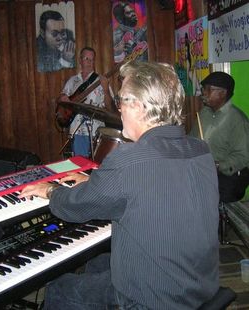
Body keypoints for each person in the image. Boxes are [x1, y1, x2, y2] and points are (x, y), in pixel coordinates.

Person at [20, 61, 220, 309]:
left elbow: (75, 207)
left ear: (137, 106)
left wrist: (50, 190)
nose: (119, 109)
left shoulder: (129, 158)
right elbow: (151, 185)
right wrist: (95, 180)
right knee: (98, 263)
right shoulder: (199, 150)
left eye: (121, 102)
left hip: (151, 299)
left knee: (60, 288)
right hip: (199, 284)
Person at [189, 71, 249, 202]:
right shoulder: (204, 113)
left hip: (228, 178)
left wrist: (217, 166)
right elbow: (192, 139)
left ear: (223, 93)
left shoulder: (238, 120)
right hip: (204, 173)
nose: (204, 93)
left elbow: (243, 156)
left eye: (208, 89)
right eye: (204, 89)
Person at [57, 47, 115, 157]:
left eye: (91, 59)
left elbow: (110, 107)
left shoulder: (100, 81)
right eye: (86, 58)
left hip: (97, 132)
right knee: (81, 167)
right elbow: (60, 99)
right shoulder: (73, 80)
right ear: (80, 60)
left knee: (96, 167)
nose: (89, 62)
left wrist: (106, 89)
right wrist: (62, 97)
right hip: (77, 131)